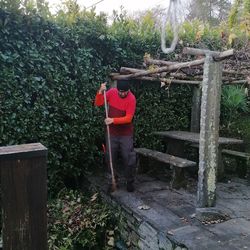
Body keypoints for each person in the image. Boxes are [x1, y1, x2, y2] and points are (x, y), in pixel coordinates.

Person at [95, 80, 136, 192]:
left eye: (125, 92)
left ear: (129, 90)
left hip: (125, 134)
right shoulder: (112, 92)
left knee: (128, 157)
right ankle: (112, 180)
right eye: (120, 91)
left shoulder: (131, 98)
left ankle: (130, 181)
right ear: (117, 89)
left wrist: (112, 120)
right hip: (111, 133)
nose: (122, 94)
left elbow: (128, 118)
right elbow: (98, 103)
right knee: (110, 158)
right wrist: (100, 91)